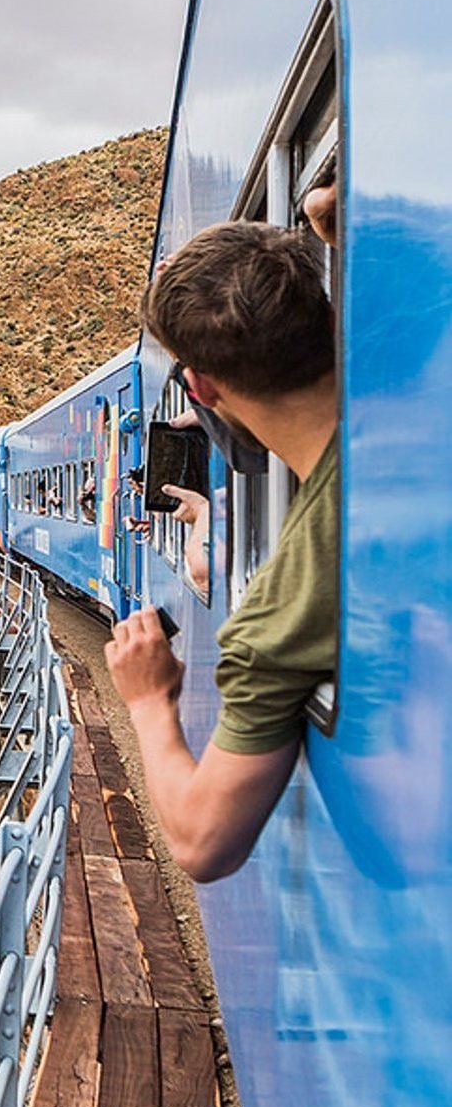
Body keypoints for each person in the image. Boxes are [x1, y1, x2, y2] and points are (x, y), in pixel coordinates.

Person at [104, 219, 338, 881]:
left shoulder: (280, 613)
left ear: (200, 392)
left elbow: (201, 842)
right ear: (326, 321)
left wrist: (148, 699)